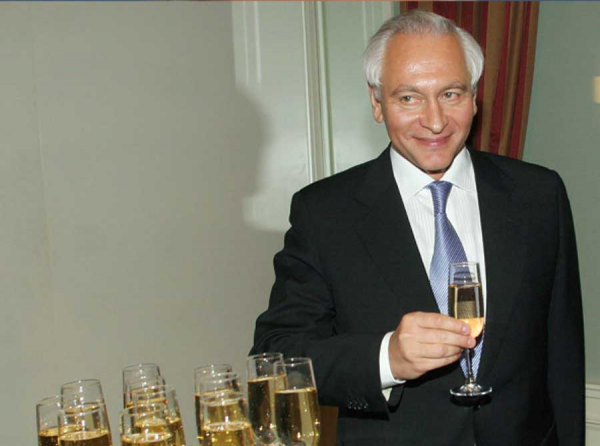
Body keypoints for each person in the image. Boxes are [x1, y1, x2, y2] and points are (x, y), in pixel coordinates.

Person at [251, 10, 585, 446]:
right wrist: (387, 358)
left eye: (450, 93)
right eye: (409, 98)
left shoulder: (538, 195)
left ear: (474, 97)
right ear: (377, 103)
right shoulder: (325, 212)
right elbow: (275, 358)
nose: (435, 120)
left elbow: (564, 354)